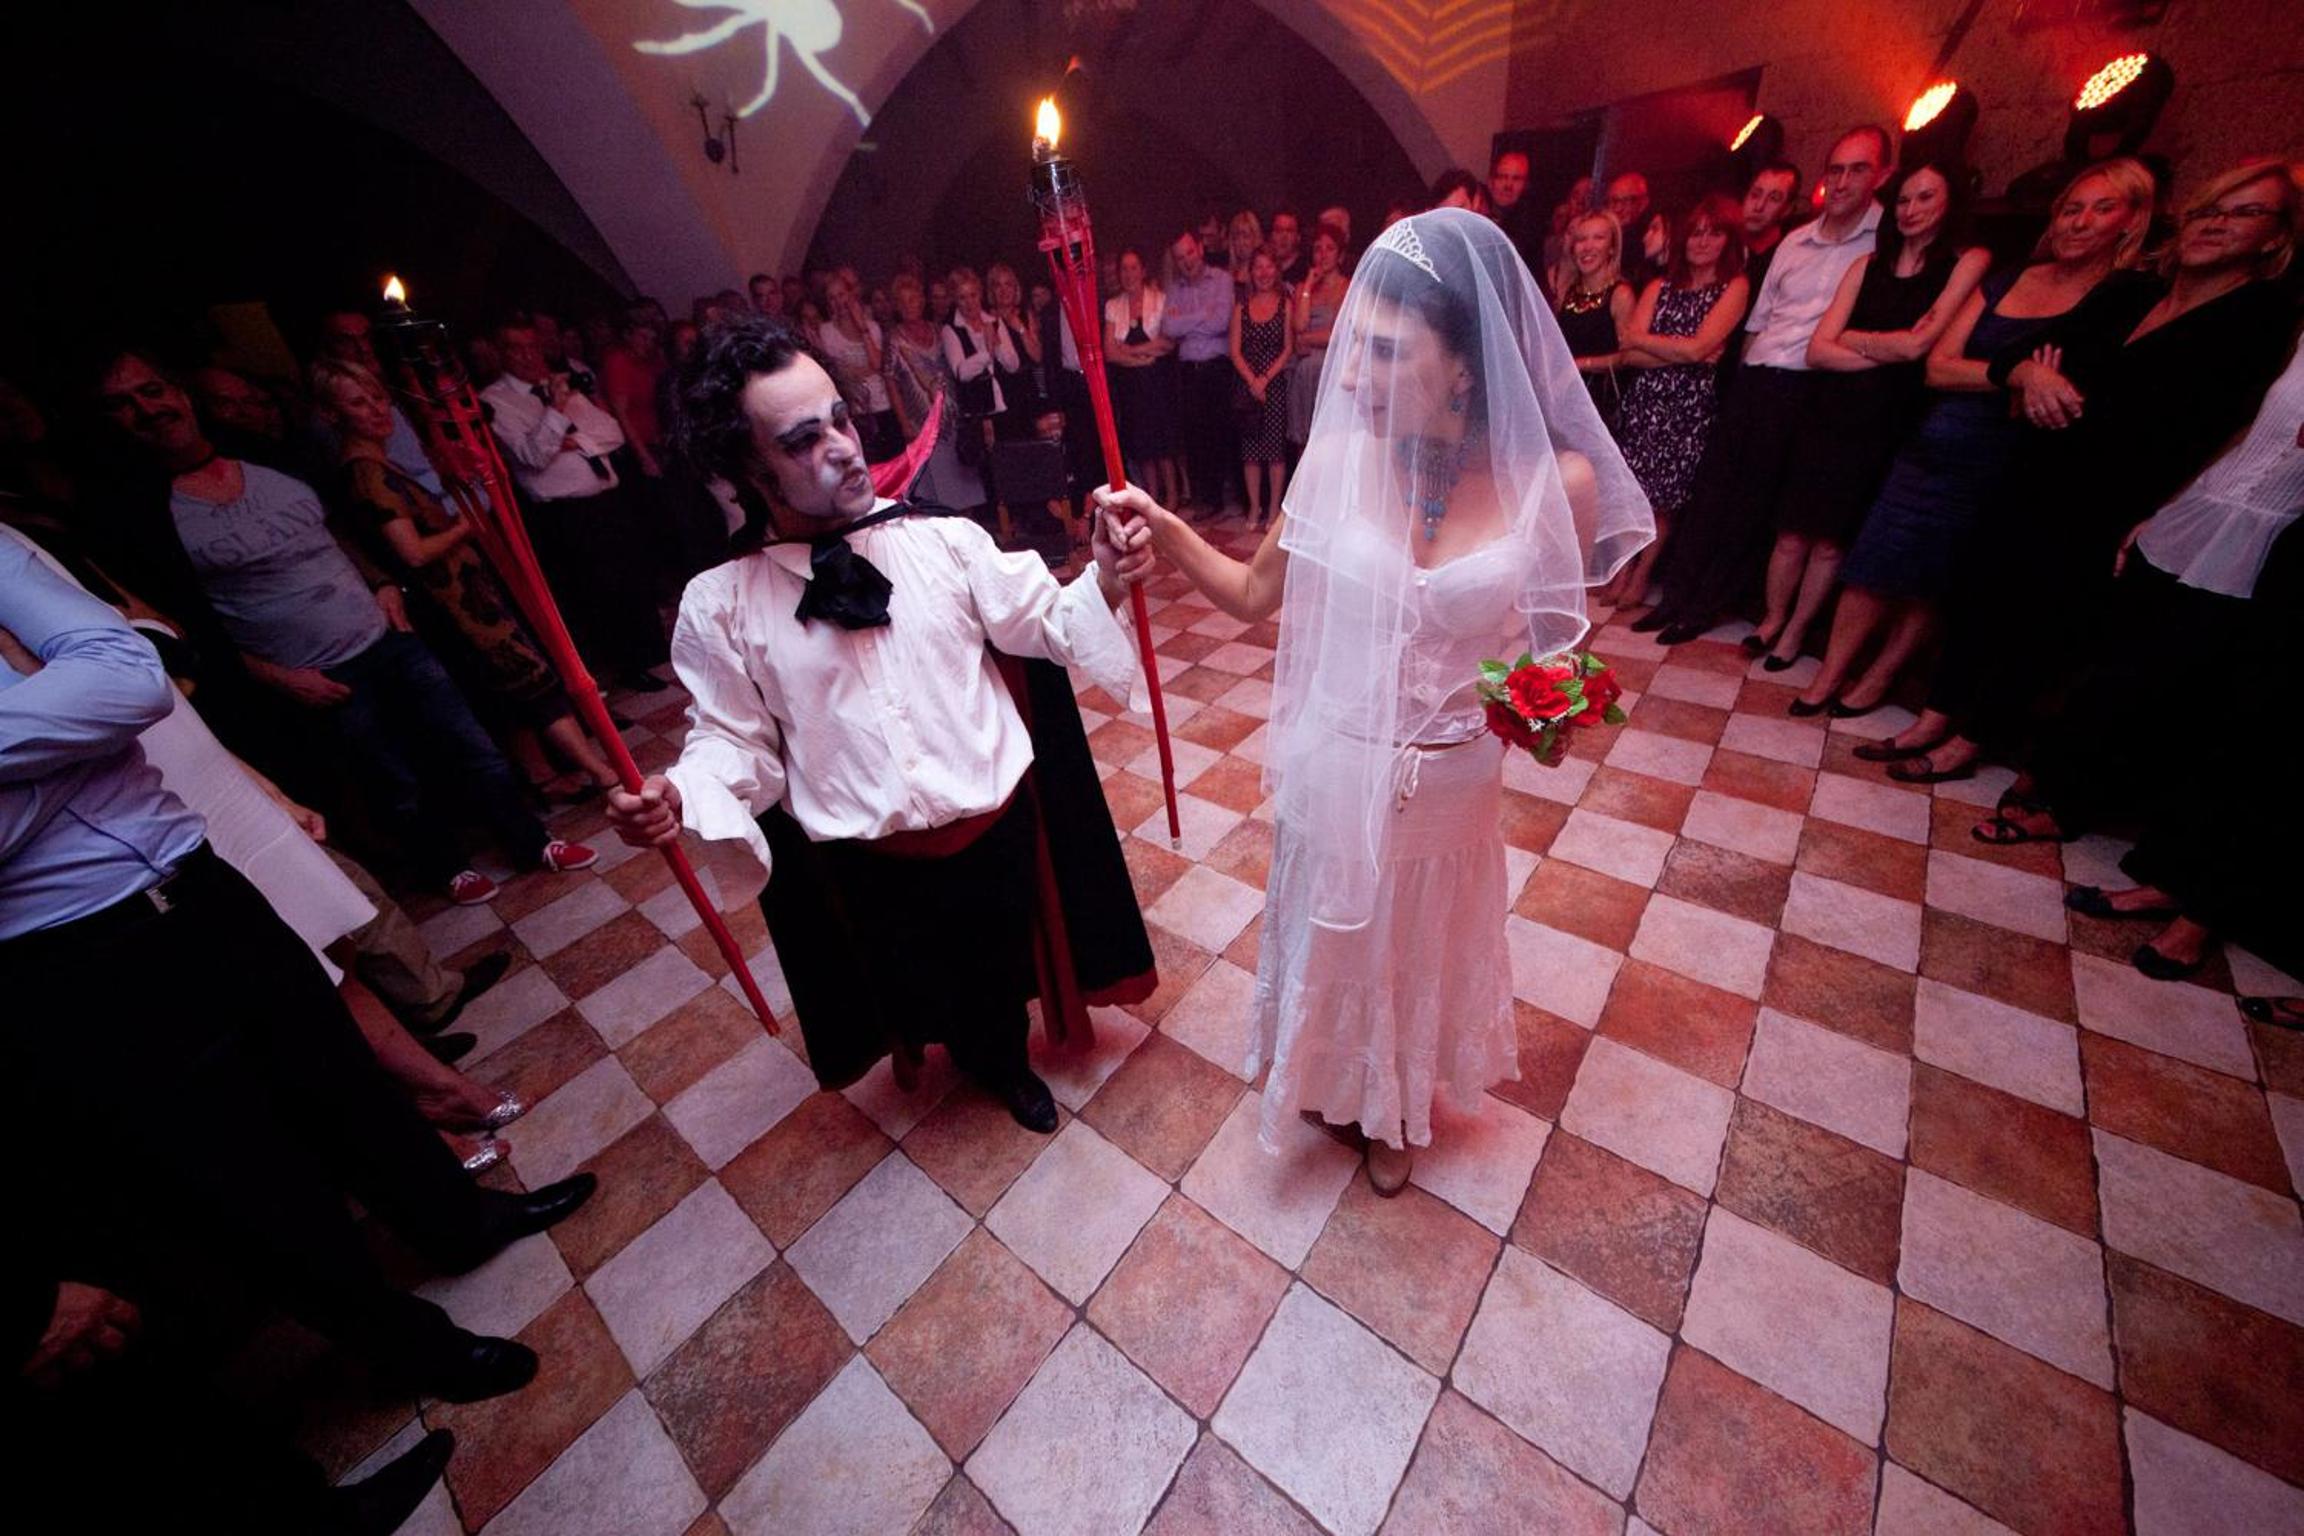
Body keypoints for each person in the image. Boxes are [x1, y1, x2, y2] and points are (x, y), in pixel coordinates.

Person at [1095, 210, 1652, 1192]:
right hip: (1338, 759)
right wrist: (1165, 528)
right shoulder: (1341, 459)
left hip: (1451, 781)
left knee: (1417, 943)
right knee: (1340, 935)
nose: (1351, 376)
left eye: (1385, 352)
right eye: (1357, 347)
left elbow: (1558, 638)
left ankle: (1395, 1106)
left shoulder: (1553, 483)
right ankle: (1330, 1078)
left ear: (1465, 367)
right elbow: (1253, 593)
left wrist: (1550, 704)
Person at [0, 536, 598, 1409]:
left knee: (341, 1072)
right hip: (67, 950)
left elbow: (135, 678)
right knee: (246, 1168)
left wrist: (52, 750)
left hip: (195, 876)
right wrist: (81, 732)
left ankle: (462, 1222)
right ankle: (407, 1347)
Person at [606, 319, 1158, 1130]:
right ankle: (964, 1049)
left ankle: (1006, 1064)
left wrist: (1105, 573)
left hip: (995, 824)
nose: (842, 447)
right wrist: (682, 793)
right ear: (746, 468)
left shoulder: (946, 542)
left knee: (1000, 964)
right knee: (918, 977)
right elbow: (733, 740)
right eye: (802, 440)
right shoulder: (721, 605)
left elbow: (1045, 622)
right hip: (870, 857)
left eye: (839, 419)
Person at [94, 350, 593, 904]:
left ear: (180, 395)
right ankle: (446, 866)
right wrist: (279, 677)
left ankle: (531, 841)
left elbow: (340, 532)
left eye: (152, 391)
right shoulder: (142, 515)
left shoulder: (273, 459)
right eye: (123, 404)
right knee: (392, 778)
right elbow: (188, 628)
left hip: (385, 635)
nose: (147, 409)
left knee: (471, 744)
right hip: (313, 670)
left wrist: (383, 582)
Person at [1886, 157, 2302, 786]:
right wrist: (2033, 374)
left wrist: (2166, 505)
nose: (2215, 224)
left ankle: (1973, 738)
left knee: (2045, 616)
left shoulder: (2260, 317)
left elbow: (2222, 427)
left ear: (2275, 236)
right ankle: (1935, 714)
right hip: (2035, 465)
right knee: (1980, 589)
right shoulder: (2130, 289)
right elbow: (2024, 352)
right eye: (2208, 209)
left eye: (2244, 213)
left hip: (2117, 495)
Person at [1979, 334, 2303, 951]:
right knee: (2131, 670)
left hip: (2276, 544)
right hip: (2215, 511)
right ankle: (2084, 812)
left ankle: (2193, 905)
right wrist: (2177, 505)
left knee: (2237, 721)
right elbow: (2256, 432)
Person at [1800, 160, 2154, 719]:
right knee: (1873, 560)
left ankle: (1879, 678)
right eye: (2071, 208)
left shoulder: (2124, 297)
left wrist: (2007, 378)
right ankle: (1828, 675)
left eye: (2101, 209)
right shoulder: (2011, 277)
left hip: (2010, 457)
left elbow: (2081, 386)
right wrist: (2016, 374)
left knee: (1934, 579)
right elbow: (1938, 367)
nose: (2080, 221)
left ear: (2132, 219)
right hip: (1934, 441)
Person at [312, 358, 622, 803]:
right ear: (332, 414)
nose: (377, 410)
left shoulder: (378, 464)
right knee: (532, 682)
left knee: (511, 693)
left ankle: (543, 777)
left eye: (379, 397)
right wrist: (468, 522)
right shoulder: (367, 473)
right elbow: (412, 552)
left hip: (466, 596)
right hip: (455, 606)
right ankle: (602, 773)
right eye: (359, 403)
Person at [1635, 125, 1893, 643]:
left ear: (1882, 175)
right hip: (1756, 378)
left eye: (1858, 169)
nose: (1843, 181)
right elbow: (1759, 323)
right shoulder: (1797, 240)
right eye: (1836, 169)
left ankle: (1704, 606)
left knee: (1750, 506)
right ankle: (1676, 598)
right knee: (1710, 496)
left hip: (1810, 386)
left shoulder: (1882, 242)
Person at [1753, 160, 1990, 684]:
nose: (1910, 210)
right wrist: (1887, 348)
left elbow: (1920, 348)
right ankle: (1772, 619)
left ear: (1950, 204)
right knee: (1791, 531)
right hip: (1831, 410)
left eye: (1925, 198)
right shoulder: (1867, 265)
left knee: (1831, 540)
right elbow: (1818, 350)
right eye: (1903, 199)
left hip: (1889, 420)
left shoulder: (1966, 261)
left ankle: (1797, 632)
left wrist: (1859, 341)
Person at [480, 320, 670, 695]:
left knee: (632, 577)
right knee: (596, 592)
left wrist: (572, 439)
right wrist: (556, 410)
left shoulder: (560, 383)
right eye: (516, 348)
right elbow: (533, 455)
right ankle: (623, 668)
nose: (528, 356)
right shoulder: (496, 401)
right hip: (565, 513)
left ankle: (651, 654)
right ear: (501, 354)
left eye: (532, 346)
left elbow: (612, 433)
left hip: (607, 499)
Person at [1600, 195, 1752, 608]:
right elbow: (1629, 352)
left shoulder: (1734, 287)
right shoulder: (1658, 286)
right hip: (1646, 400)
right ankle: (1622, 568)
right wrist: (1684, 351)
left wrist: (1650, 341)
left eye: (1713, 233)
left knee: (1664, 501)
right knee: (1631, 491)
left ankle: (1642, 574)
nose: (1702, 242)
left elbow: (1696, 348)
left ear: (1728, 240)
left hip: (1688, 407)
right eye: (1695, 233)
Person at [884, 273, 987, 515]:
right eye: (903, 301)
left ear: (922, 300)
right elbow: (891, 383)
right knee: (939, 489)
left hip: (951, 415)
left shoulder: (938, 329)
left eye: (913, 299)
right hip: (922, 420)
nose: (909, 305)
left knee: (964, 481)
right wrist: (904, 423)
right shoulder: (894, 339)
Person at [1164, 229, 1240, 519]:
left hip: (1216, 368)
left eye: (1190, 252)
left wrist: (1185, 321)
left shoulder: (1222, 280)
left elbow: (1221, 321)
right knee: (1194, 438)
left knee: (1217, 434)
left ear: (1200, 249)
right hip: (1187, 371)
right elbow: (1168, 328)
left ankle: (1218, 500)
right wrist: (1201, 315)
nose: (1187, 261)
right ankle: (1203, 499)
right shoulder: (1175, 287)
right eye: (1180, 257)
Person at [1104, 248, 1184, 510]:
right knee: (1142, 444)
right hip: (1130, 386)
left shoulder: (1161, 300)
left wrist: (1130, 350)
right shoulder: (1112, 306)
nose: (1128, 274)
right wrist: (1140, 359)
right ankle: (1152, 497)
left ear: (1143, 270)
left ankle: (1172, 497)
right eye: (1124, 269)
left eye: (1133, 268)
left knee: (1163, 442)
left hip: (1158, 383)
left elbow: (1167, 343)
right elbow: (1110, 352)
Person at [1550, 210, 1637, 427]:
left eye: (1598, 238)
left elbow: (1628, 356)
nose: (1587, 247)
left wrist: (1581, 365)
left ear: (1612, 247)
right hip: (1565, 398)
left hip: (1600, 402)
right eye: (1581, 239)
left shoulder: (1620, 294)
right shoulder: (1568, 291)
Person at [1231, 247, 1296, 530]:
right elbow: (1234, 351)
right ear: (1251, 272)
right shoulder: (1241, 306)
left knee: (1275, 452)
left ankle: (1273, 510)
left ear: (1277, 270)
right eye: (1258, 267)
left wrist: (1265, 379)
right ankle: (1254, 507)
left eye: (1269, 266)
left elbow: (1288, 348)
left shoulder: (1286, 304)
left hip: (1275, 385)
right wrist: (1252, 381)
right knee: (1251, 453)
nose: (1264, 273)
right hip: (1248, 387)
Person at [817, 270, 899, 461]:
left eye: (841, 295)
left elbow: (878, 364)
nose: (838, 302)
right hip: (857, 410)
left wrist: (862, 328)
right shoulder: (826, 331)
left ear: (850, 295)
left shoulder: (872, 326)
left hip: (884, 404)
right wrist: (860, 370)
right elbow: (839, 373)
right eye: (832, 298)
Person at [1289, 220, 1351, 450]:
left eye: (1329, 248)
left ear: (1340, 255)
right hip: (1304, 374)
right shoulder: (1302, 288)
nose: (1323, 254)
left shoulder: (1347, 287)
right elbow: (1299, 325)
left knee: (1330, 443)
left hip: (1331, 371)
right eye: (1317, 249)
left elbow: (1338, 333)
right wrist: (1307, 286)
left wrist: (1305, 339)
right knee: (1303, 445)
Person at [986, 262, 1045, 438]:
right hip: (1001, 393)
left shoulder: (1026, 315)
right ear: (992, 291)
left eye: (1008, 284)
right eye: (998, 285)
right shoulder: (986, 319)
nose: (1004, 290)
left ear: (1016, 288)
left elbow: (1037, 356)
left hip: (1027, 390)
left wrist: (1020, 328)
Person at [1604, 172, 1667, 289]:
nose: (1618, 208)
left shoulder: (1648, 235)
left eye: (1626, 201)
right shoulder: (1605, 234)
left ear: (1643, 203)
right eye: (1613, 201)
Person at [1226, 210, 1266, 296]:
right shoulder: (1225, 276)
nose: (1241, 242)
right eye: (1236, 237)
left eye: (1246, 236)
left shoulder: (1264, 276)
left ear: (1256, 238)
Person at [1269, 209, 1308, 288]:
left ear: (1298, 237)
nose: (1284, 237)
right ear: (1271, 236)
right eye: (1278, 230)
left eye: (1289, 231)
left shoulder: (1306, 271)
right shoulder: (1265, 270)